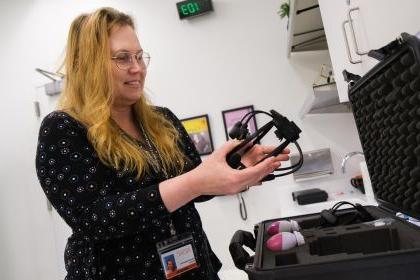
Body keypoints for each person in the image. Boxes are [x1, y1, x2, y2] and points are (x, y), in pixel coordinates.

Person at [35, 7, 289, 280]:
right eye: (123, 58)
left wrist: (233, 165)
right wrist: (197, 182)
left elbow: (194, 186)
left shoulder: (161, 120)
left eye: (139, 56)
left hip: (193, 269)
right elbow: (94, 220)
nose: (138, 68)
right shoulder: (64, 128)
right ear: (88, 63)